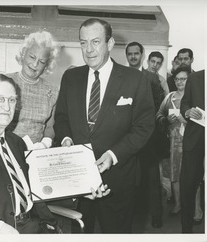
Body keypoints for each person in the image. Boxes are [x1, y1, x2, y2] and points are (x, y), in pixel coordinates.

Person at [0, 74, 109, 233]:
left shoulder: (16, 142)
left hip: (36, 225)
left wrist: (83, 189)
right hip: (3, 230)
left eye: (12, 100)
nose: (6, 107)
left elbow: (36, 190)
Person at [54, 18, 155, 233]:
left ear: (110, 44)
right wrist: (66, 139)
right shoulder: (71, 77)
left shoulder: (134, 80)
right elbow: (61, 118)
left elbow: (143, 128)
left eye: (95, 42)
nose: (89, 50)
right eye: (83, 43)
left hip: (118, 180)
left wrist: (113, 155)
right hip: (78, 181)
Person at [125, 41, 164, 228]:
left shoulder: (152, 78)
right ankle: (133, 217)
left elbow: (156, 107)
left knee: (151, 178)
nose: (133, 56)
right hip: (126, 136)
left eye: (136, 53)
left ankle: (157, 219)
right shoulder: (120, 75)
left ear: (142, 55)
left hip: (148, 137)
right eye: (130, 54)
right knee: (131, 178)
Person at [7, 31, 59, 149]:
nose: (35, 64)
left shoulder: (52, 91)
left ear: (47, 65)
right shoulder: (5, 81)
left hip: (36, 153)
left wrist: (45, 144)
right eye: (32, 57)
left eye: (41, 62)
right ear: (24, 53)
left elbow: (50, 127)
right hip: (6, 149)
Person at [156, 65, 190, 215]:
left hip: (191, 142)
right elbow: (158, 115)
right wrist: (166, 120)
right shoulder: (169, 97)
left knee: (191, 175)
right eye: (177, 79)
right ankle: (178, 204)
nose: (179, 82)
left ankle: (194, 208)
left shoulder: (195, 97)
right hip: (174, 143)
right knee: (174, 174)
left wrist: (189, 120)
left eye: (183, 79)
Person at [180, 69, 205, 233]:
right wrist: (187, 111)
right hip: (195, 139)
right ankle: (186, 230)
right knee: (188, 185)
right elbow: (184, 103)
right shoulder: (195, 78)